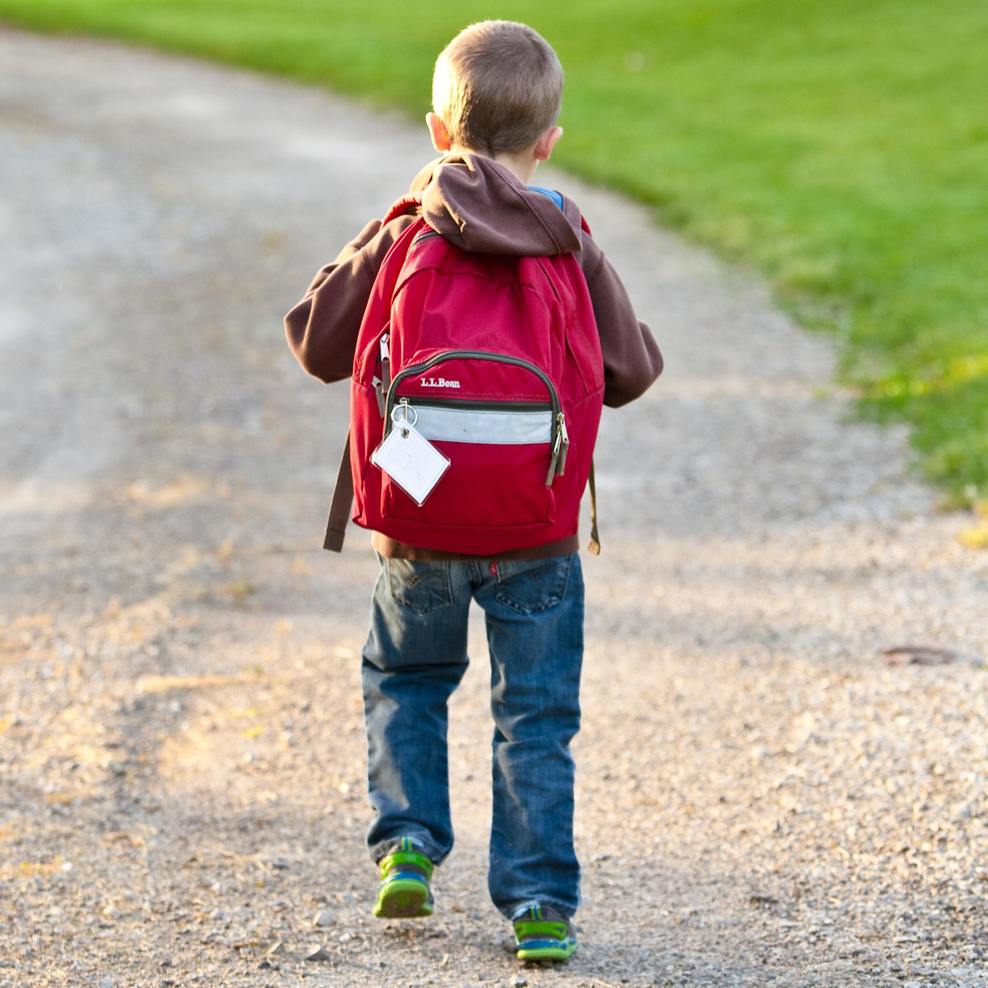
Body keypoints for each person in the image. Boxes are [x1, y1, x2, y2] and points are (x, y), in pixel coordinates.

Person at [284, 19, 662, 962]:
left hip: (419, 527)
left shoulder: (411, 227)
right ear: (549, 141)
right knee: (534, 716)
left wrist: (392, 219)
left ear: (436, 132)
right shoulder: (565, 232)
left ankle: (408, 845)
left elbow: (316, 341)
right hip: (536, 530)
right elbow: (632, 370)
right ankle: (538, 905)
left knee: (407, 679)